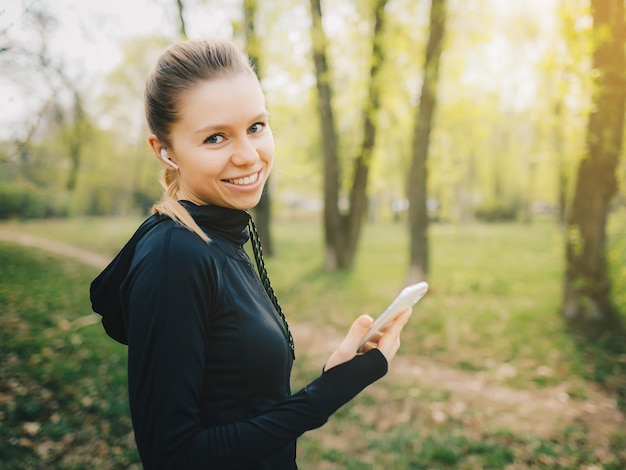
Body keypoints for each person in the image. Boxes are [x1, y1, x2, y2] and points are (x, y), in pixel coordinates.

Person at [90, 39, 413, 469]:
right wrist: (327, 395)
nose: (247, 155)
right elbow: (174, 457)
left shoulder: (220, 236)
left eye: (256, 127)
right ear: (164, 150)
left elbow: (237, 401)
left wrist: (335, 376)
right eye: (216, 137)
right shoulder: (176, 257)